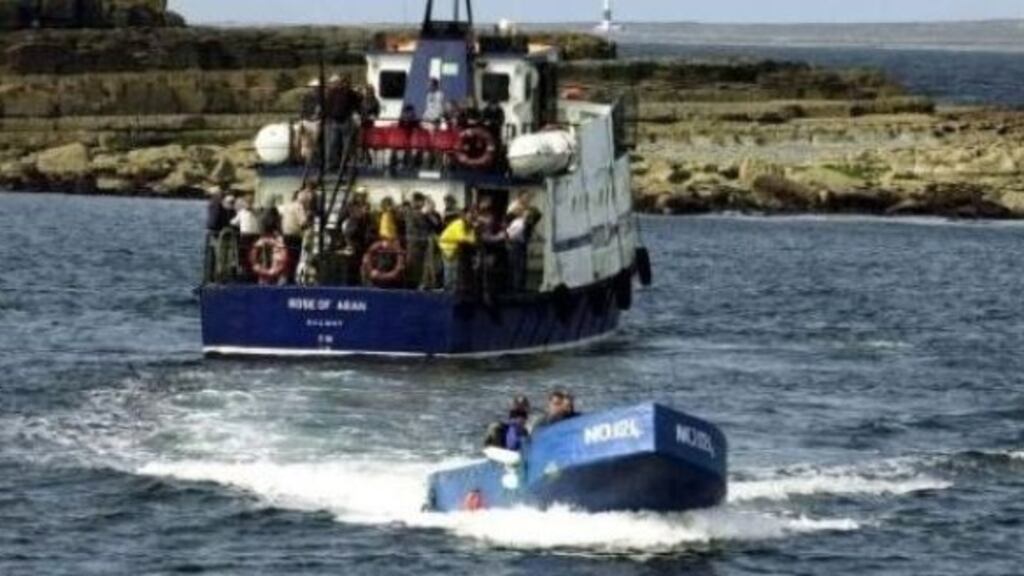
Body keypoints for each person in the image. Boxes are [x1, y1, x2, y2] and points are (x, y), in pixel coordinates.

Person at [325, 75, 362, 171]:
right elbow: (328, 105)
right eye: (342, 82)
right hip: (336, 120)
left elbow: (357, 104)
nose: (343, 85)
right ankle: (334, 164)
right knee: (334, 144)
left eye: (345, 83)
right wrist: (328, 116)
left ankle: (342, 164)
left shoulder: (350, 93)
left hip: (345, 120)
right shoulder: (334, 92)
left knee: (345, 145)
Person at [439, 207, 477, 293]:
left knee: (455, 270)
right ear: (465, 215)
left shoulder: (469, 226)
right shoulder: (459, 223)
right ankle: (448, 290)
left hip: (456, 249)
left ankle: (453, 290)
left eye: (473, 215)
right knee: (450, 270)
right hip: (447, 248)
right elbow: (461, 237)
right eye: (470, 215)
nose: (472, 217)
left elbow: (473, 239)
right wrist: (471, 239)